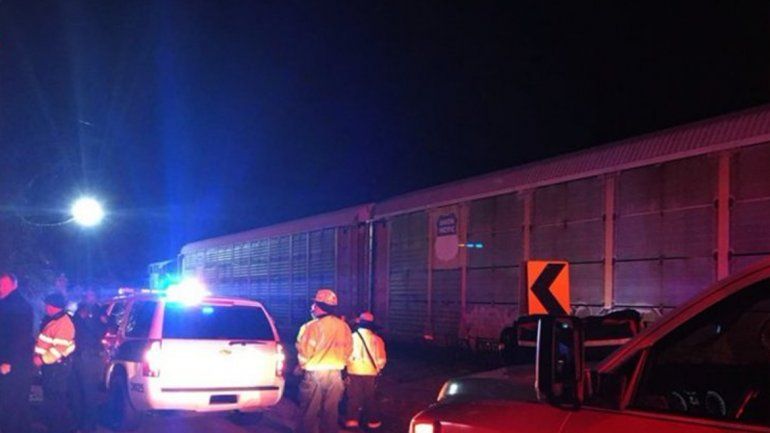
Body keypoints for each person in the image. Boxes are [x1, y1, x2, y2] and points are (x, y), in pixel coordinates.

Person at [296, 288, 353, 433]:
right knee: (331, 411)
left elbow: (304, 351)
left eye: (314, 304)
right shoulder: (343, 326)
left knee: (309, 410)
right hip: (335, 375)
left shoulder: (311, 327)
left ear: (318, 306)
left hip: (315, 374)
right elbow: (349, 350)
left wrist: (301, 366)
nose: (312, 307)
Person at [34, 292, 77, 433]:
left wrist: (41, 359)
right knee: (52, 398)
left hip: (57, 368)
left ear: (53, 306)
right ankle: (55, 426)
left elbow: (58, 349)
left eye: (47, 304)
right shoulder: (53, 320)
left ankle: (61, 428)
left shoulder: (64, 323)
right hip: (52, 367)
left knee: (56, 400)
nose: (45, 307)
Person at [0, 272, 35, 433]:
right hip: (17, 363)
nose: (1, 288)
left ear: (14, 285)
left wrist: (8, 361)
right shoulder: (11, 303)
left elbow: (18, 336)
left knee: (10, 403)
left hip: (13, 364)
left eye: (4, 284)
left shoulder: (16, 305)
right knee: (17, 405)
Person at [71, 288, 107, 432]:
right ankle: (79, 424)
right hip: (77, 356)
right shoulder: (78, 312)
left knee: (89, 394)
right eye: (86, 295)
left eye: (91, 295)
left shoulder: (100, 312)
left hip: (91, 358)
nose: (88, 297)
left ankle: (89, 426)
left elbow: (102, 330)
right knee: (76, 393)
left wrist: (88, 319)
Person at [344, 312, 387, 430]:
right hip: (370, 373)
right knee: (370, 397)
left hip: (354, 372)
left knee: (353, 396)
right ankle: (373, 421)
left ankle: (352, 420)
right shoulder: (377, 340)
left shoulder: (351, 338)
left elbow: (346, 356)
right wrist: (378, 368)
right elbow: (381, 360)